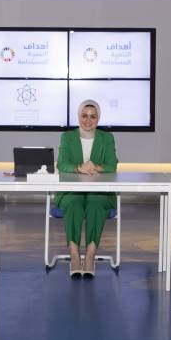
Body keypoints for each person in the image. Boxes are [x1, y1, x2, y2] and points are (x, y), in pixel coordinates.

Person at [56, 99, 118, 277]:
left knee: (95, 202)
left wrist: (96, 167)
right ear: (78, 117)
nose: (88, 120)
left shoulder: (107, 138)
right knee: (74, 202)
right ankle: (74, 254)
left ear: (98, 118)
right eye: (84, 115)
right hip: (71, 191)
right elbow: (62, 164)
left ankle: (90, 254)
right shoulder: (67, 137)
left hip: (100, 191)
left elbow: (112, 165)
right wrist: (79, 168)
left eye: (93, 116)